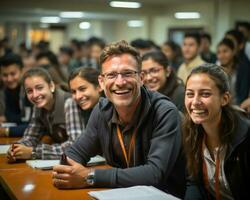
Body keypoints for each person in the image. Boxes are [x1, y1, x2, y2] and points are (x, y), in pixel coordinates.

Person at [52, 40, 186, 198]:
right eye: (111, 75)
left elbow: (154, 173)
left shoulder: (164, 112)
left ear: (141, 78)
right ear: (101, 82)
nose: (120, 82)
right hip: (122, 193)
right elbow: (75, 153)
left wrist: (91, 176)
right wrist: (65, 170)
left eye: (128, 73)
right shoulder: (102, 110)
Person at [183, 63, 250, 199]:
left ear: (224, 99)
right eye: (190, 94)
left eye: (205, 94)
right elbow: (194, 182)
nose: (195, 101)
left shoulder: (246, 136)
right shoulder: (190, 131)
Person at [6, 67, 71, 162]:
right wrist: (15, 149)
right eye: (29, 91)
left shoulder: (69, 102)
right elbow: (31, 137)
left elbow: (74, 146)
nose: (35, 95)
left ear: (51, 86)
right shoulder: (38, 106)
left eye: (39, 88)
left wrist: (33, 152)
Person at [65, 67, 103, 142]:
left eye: (82, 89)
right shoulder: (74, 104)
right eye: (73, 92)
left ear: (99, 87)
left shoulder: (113, 106)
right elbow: (76, 143)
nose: (78, 96)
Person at [0, 53, 33, 137]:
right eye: (5, 75)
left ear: (22, 71)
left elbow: (33, 125)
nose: (9, 79)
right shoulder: (2, 91)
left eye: (13, 74)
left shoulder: (30, 90)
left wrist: (6, 130)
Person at [217, 38, 250, 104]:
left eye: (225, 51)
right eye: (219, 52)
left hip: (240, 107)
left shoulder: (243, 69)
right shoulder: (216, 71)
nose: (221, 56)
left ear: (233, 52)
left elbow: (243, 94)